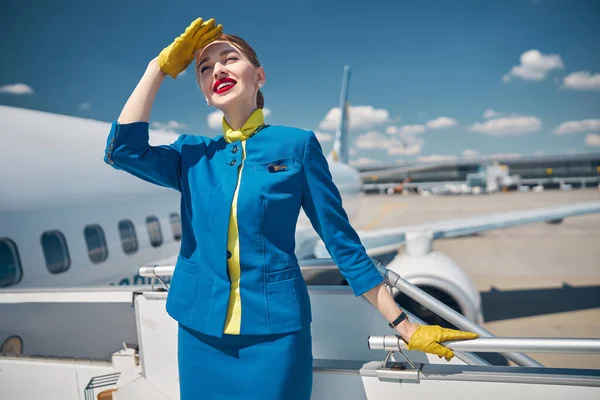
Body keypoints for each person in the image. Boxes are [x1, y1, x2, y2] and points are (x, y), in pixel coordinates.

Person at [105, 17, 478, 400]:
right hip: (200, 334)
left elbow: (341, 241)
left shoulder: (297, 146)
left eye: (229, 58)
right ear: (203, 90)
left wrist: (404, 324)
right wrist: (159, 68)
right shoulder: (192, 154)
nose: (217, 68)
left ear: (259, 76)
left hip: (274, 335)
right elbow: (122, 152)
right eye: (204, 67)